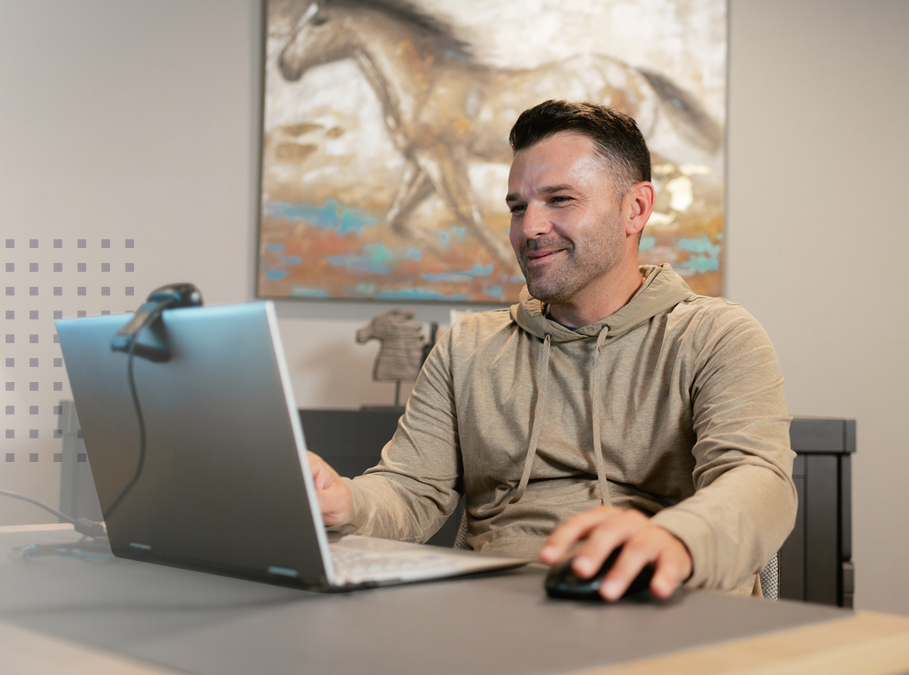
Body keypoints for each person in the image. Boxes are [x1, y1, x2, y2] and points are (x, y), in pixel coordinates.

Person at [308, 100, 796, 601]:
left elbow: (758, 481)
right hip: (494, 616)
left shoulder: (717, 335)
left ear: (637, 208)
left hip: (662, 602)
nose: (530, 228)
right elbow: (411, 489)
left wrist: (675, 539)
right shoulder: (467, 346)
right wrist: (345, 501)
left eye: (559, 199)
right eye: (518, 207)